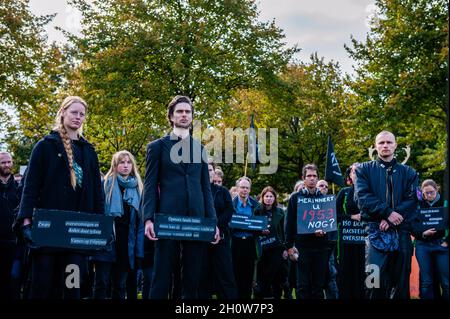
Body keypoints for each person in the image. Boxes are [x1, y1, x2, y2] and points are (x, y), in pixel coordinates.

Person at [16, 96, 104, 299]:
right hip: (48, 231)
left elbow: (97, 192)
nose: (78, 117)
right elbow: (30, 186)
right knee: (43, 286)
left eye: (82, 114)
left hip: (77, 233)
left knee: (71, 288)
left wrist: (101, 225)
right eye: (74, 112)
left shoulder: (89, 151)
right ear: (63, 112)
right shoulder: (45, 146)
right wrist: (26, 221)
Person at [142, 95, 219, 299]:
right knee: (162, 275)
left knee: (192, 277)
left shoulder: (200, 150)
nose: (184, 115)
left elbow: (205, 188)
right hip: (167, 218)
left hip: (197, 218)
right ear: (171, 116)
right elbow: (150, 184)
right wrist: (148, 217)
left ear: (192, 117)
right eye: (179, 111)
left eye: (188, 112)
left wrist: (213, 222)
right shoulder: (156, 147)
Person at [354, 130, 418, 299]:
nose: (385, 146)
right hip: (374, 231)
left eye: (389, 142)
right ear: (376, 146)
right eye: (381, 143)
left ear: (395, 145)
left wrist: (391, 220)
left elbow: (412, 201)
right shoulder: (363, 170)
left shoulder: (409, 172)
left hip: (401, 232)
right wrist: (387, 213)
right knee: (373, 280)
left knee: (400, 282)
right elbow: (363, 198)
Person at [93, 150, 144, 299]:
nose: (126, 165)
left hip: (126, 244)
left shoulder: (138, 188)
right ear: (115, 166)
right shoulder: (105, 185)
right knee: (101, 283)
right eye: (122, 162)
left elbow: (139, 223)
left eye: (128, 162)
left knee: (120, 285)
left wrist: (138, 250)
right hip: (106, 241)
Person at [286, 164, 329, 299]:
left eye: (314, 176)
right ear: (303, 178)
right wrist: (289, 246)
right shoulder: (295, 198)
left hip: (320, 247)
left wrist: (325, 230)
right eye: (309, 176)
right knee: (302, 285)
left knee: (318, 285)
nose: (312, 178)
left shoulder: (324, 198)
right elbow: (289, 223)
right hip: (301, 247)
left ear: (318, 178)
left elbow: (329, 221)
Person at [198, 161, 237, 299]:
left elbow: (229, 210)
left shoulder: (223, 191)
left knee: (224, 274)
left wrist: (216, 228)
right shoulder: (196, 189)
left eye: (210, 170)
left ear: (214, 172)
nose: (208, 172)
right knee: (202, 275)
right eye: (205, 169)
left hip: (221, 239)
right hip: (201, 240)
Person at [412, 179, 448, 299]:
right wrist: (423, 233)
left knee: (446, 282)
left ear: (437, 189)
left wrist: (447, 241)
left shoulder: (445, 202)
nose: (428, 195)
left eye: (431, 192)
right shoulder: (418, 204)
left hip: (441, 245)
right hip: (423, 245)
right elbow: (413, 226)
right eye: (425, 193)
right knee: (426, 282)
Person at [336, 163, 365, 299]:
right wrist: (351, 216)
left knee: (364, 270)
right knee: (347, 270)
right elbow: (334, 215)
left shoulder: (371, 191)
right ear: (349, 176)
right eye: (354, 172)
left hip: (365, 239)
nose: (357, 174)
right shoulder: (344, 192)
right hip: (347, 239)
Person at [254, 186, 289, 299]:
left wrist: (285, 248)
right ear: (262, 197)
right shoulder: (257, 211)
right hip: (262, 248)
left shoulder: (280, 212)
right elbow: (252, 227)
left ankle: (274, 295)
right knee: (262, 275)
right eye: (266, 196)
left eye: (271, 196)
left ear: (274, 198)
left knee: (275, 274)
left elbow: (283, 232)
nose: (269, 198)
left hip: (277, 248)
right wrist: (260, 230)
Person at [230, 176, 261, 299]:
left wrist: (261, 229)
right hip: (235, 243)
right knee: (235, 275)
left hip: (250, 243)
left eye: (247, 188)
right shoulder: (230, 204)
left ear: (250, 189)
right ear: (237, 189)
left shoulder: (256, 205)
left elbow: (259, 224)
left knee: (248, 277)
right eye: (242, 187)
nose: (244, 190)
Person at [0, 152, 20, 299]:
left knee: (14, 279)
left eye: (9, 162)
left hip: (15, 242)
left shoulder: (19, 188)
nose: (7, 165)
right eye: (3, 162)